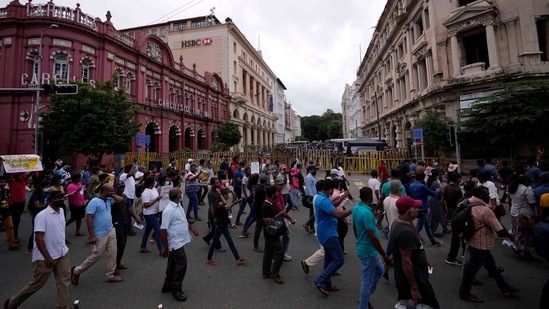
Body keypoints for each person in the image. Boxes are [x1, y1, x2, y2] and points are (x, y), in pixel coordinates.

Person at [4, 191, 71, 309]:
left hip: (62, 253)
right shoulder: (42, 216)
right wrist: (47, 257)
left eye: (62, 197)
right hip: (45, 257)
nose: (61, 199)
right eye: (57, 198)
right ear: (50, 200)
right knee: (36, 284)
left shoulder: (61, 212)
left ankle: (63, 306)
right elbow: (39, 238)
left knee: (64, 282)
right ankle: (12, 303)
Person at [459, 186, 519, 303]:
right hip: (481, 244)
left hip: (472, 240)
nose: (489, 196)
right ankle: (464, 293)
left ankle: (504, 288)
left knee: (492, 267)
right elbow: (499, 229)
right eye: (486, 194)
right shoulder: (485, 210)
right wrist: (512, 237)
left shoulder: (466, 202)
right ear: (480, 195)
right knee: (470, 270)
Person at [390, 196, 440, 309]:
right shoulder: (405, 232)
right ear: (410, 211)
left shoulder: (400, 223)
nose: (418, 209)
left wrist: (423, 260)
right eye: (416, 207)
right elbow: (406, 260)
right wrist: (414, 288)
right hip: (416, 280)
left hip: (412, 276)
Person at [71, 184, 124, 285]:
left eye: (113, 191)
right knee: (96, 255)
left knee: (113, 253)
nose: (113, 193)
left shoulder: (108, 200)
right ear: (103, 191)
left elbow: (120, 199)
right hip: (99, 233)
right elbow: (89, 218)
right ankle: (77, 271)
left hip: (110, 230)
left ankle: (110, 275)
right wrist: (91, 235)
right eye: (110, 191)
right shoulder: (94, 202)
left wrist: (111, 195)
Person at [352, 187, 392, 309]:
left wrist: (359, 239)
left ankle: (364, 298)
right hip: (368, 251)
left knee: (379, 271)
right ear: (370, 197)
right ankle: (363, 305)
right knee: (367, 279)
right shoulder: (366, 213)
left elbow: (355, 227)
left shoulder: (356, 208)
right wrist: (384, 256)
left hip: (367, 249)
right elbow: (373, 237)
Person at [313, 178, 353, 296]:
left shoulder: (321, 198)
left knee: (329, 259)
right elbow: (339, 214)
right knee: (339, 259)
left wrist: (342, 196)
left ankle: (328, 284)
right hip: (328, 233)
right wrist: (354, 208)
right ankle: (320, 280)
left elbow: (332, 205)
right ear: (330, 189)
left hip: (326, 232)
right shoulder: (322, 200)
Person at [160, 188, 199, 302]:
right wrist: (166, 248)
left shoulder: (177, 205)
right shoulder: (169, 210)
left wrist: (191, 227)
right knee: (182, 264)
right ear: (177, 196)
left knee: (173, 264)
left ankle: (167, 285)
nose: (182, 194)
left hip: (180, 240)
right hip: (174, 242)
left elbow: (182, 218)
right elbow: (163, 230)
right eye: (180, 193)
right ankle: (176, 290)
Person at [261, 185, 295, 284]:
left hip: (272, 232)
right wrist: (278, 216)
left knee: (268, 251)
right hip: (270, 233)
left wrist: (288, 218)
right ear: (272, 194)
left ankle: (266, 272)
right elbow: (268, 222)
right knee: (280, 251)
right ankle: (275, 274)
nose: (277, 194)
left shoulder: (271, 203)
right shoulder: (266, 206)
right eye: (276, 193)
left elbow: (280, 212)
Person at [206, 188, 247, 266]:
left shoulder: (223, 202)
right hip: (220, 225)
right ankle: (209, 259)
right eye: (226, 194)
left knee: (230, 242)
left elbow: (227, 208)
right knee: (214, 242)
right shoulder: (219, 203)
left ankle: (237, 258)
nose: (228, 196)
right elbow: (224, 204)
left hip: (224, 225)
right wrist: (220, 194)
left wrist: (234, 203)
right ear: (222, 195)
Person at [111, 181, 142, 271]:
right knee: (117, 245)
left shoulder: (124, 197)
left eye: (123, 187)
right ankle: (113, 266)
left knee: (123, 244)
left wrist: (136, 217)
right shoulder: (112, 199)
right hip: (116, 224)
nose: (122, 189)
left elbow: (129, 208)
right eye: (119, 187)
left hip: (124, 223)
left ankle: (118, 263)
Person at [508, 175, 537, 259]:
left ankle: (516, 246)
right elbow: (532, 202)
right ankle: (526, 250)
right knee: (528, 233)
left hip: (514, 212)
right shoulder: (527, 189)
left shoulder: (512, 187)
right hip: (525, 215)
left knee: (517, 230)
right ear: (525, 181)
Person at [409, 173, 442, 247]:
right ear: (422, 178)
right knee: (419, 227)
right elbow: (433, 193)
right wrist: (439, 190)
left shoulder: (411, 186)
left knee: (427, 225)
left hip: (416, 206)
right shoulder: (422, 186)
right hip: (423, 207)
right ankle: (412, 240)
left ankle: (433, 241)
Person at [139, 176, 164, 254]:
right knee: (158, 230)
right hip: (149, 214)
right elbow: (146, 205)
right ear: (151, 182)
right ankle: (161, 250)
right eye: (154, 181)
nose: (155, 182)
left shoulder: (154, 189)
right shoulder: (146, 192)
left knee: (147, 231)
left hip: (154, 213)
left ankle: (142, 247)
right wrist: (156, 200)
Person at [0, 175, 20, 250]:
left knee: (10, 226)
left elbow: (8, 199)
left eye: (5, 182)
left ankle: (12, 243)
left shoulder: (7, 190)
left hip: (6, 210)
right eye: (1, 182)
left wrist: (10, 202)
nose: (3, 183)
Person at [302, 165, 318, 234]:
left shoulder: (312, 177)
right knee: (315, 212)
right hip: (311, 196)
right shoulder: (309, 177)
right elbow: (308, 187)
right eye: (314, 170)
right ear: (310, 170)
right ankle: (307, 224)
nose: (315, 171)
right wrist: (311, 196)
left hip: (314, 195)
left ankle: (311, 226)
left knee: (312, 211)